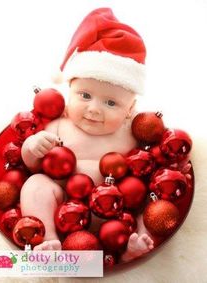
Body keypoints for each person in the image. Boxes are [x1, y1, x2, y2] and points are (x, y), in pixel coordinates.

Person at [20, 7, 154, 261]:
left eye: (111, 103)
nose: (94, 109)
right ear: (70, 90)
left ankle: (129, 248)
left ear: (130, 110)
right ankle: (48, 238)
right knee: (35, 186)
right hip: (61, 202)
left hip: (112, 210)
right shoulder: (61, 123)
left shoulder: (130, 132)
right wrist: (33, 146)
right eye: (85, 96)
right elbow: (32, 165)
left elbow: (150, 163)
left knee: (146, 198)